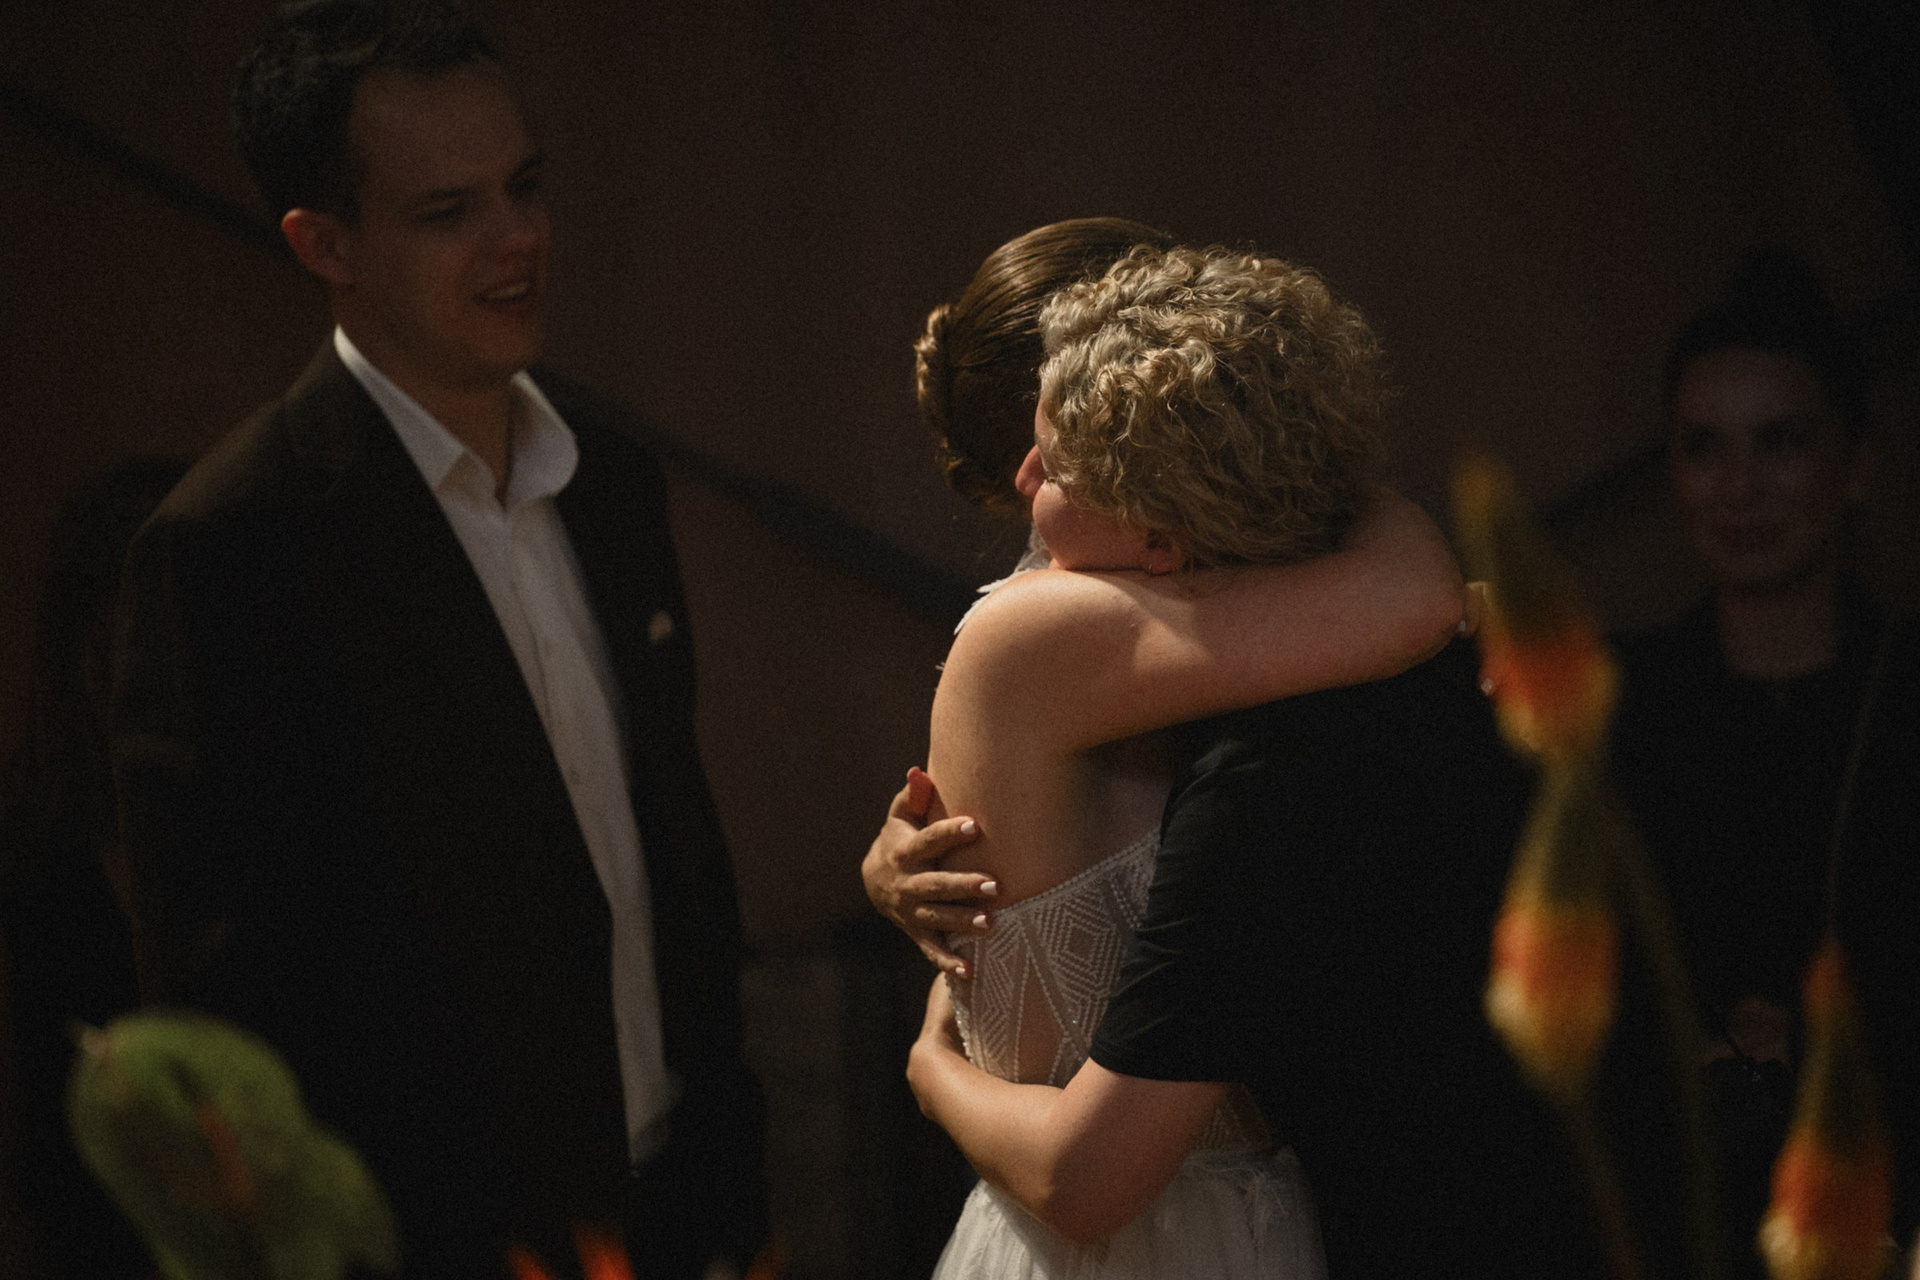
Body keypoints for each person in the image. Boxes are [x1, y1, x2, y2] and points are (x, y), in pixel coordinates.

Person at [109, 4, 763, 1275]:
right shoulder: (235, 545)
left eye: (525, 185)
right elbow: (229, 1021)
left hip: (679, 1214)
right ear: (325, 243)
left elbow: (676, 864)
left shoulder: (611, 480)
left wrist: (729, 1196)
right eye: (449, 210)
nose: (517, 237)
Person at [894, 244, 1475, 1277]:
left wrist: (932, 1067)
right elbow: (1416, 585)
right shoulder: (1045, 631)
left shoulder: (1193, 663)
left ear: (1162, 536)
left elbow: (1415, 596)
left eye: (1055, 461)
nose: (1022, 480)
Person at [1609, 249, 1920, 1272]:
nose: (1741, 487)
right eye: (1705, 448)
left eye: (1780, 442)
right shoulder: (1620, 708)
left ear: (1856, 464)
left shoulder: (1900, 689)